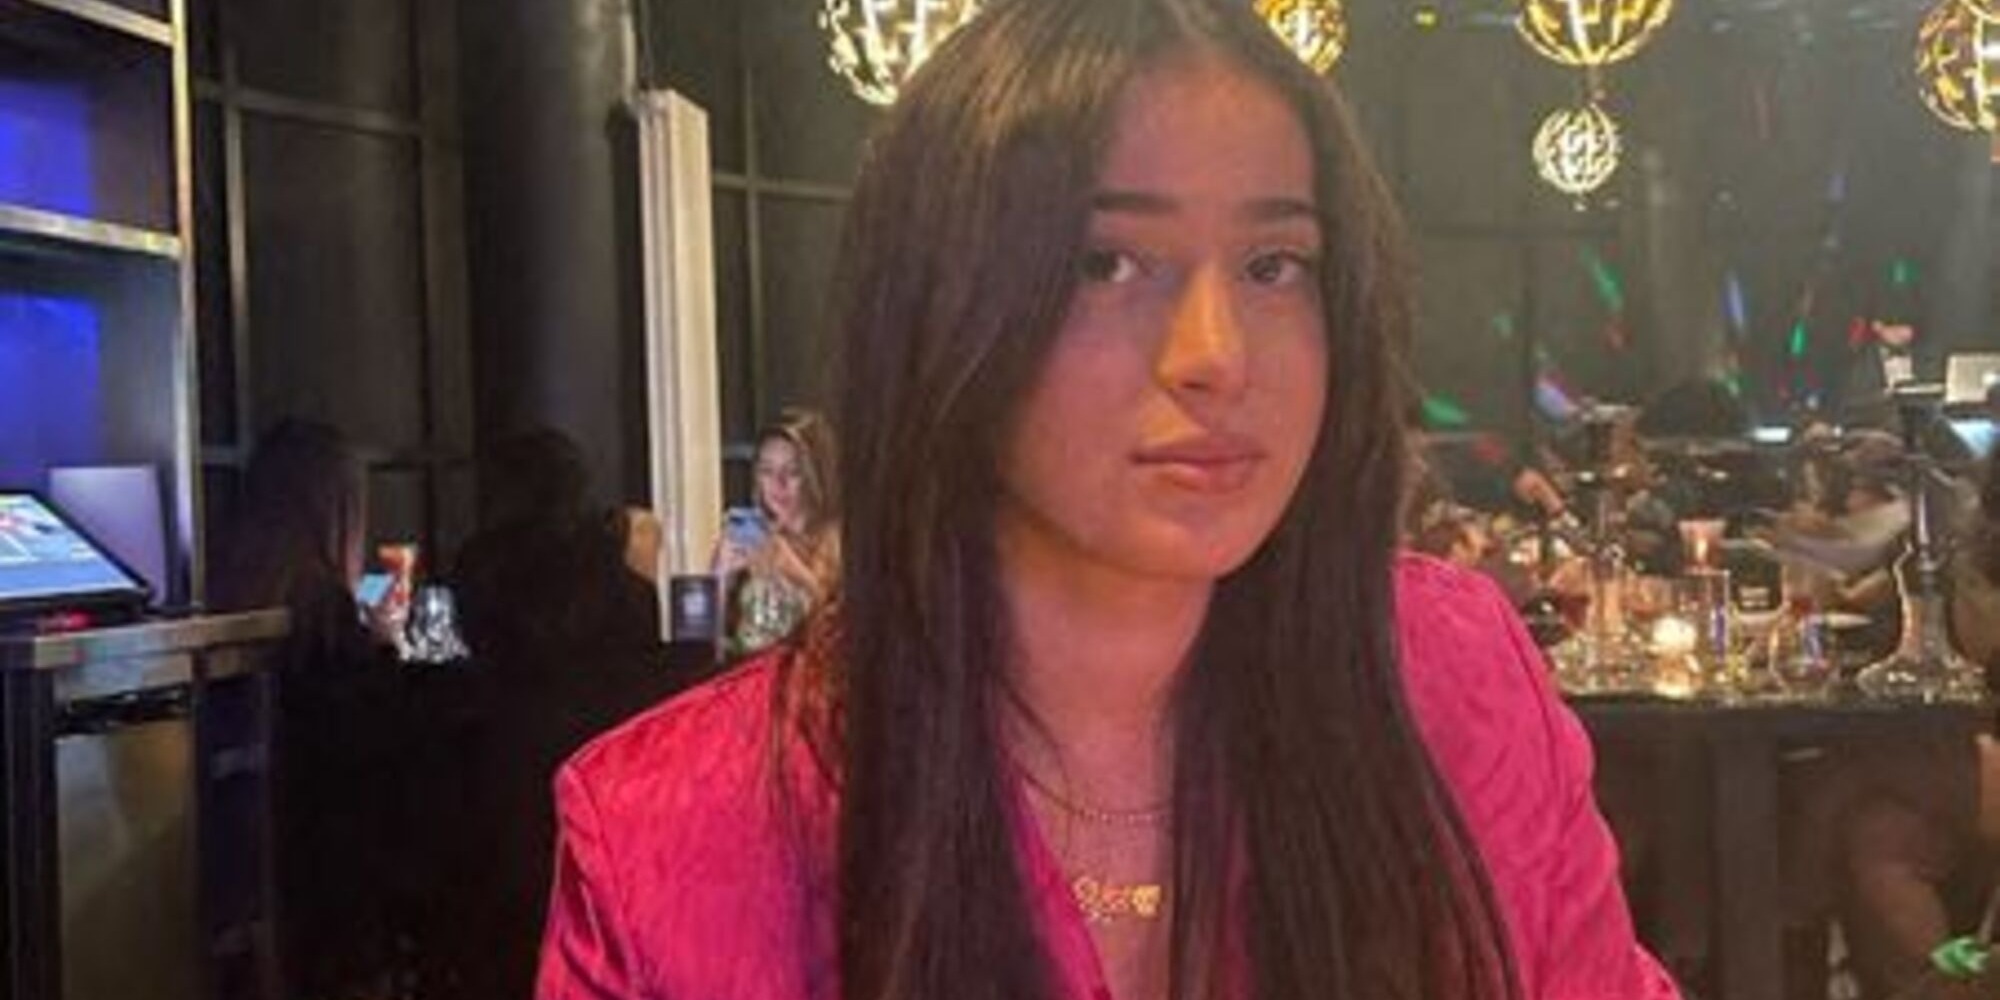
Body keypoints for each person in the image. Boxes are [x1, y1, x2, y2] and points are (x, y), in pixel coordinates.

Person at [537, 2, 1675, 997]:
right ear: (944, 307)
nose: (1215, 354)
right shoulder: (678, 830)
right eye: (1107, 263)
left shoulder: (1450, 680)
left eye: (1273, 266)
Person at [208, 419, 406, 1000]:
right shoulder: (323, 606)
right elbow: (373, 732)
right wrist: (385, 646)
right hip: (326, 851)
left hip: (240, 844)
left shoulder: (232, 583)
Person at [711, 408, 841, 654]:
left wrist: (793, 570)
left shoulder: (841, 542)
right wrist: (720, 578)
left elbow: (844, 631)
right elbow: (706, 637)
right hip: (752, 672)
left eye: (792, 472)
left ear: (815, 475)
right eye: (766, 471)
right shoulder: (748, 535)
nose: (777, 484)